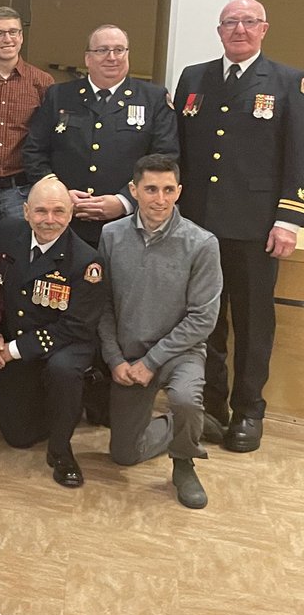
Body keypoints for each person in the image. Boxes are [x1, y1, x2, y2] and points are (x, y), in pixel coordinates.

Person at [173, 0, 304, 453]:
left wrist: (288, 219)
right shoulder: (195, 78)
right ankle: (211, 406)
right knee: (205, 321)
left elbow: (297, 157)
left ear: (264, 29)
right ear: (219, 30)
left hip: (254, 227)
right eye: (231, 22)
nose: (240, 29)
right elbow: (182, 153)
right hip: (198, 225)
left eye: (249, 22)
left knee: (251, 324)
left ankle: (249, 410)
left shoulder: (288, 82)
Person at [99, 154, 222, 509]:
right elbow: (102, 305)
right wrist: (114, 359)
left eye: (169, 190)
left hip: (179, 353)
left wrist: (153, 361)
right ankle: (181, 425)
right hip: (128, 354)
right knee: (124, 454)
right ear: (134, 190)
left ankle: (184, 461)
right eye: (151, 189)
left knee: (185, 397)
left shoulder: (201, 244)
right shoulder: (111, 235)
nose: (160, 199)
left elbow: (202, 319)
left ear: (179, 191)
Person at [0, 178, 105, 488]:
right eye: (41, 211)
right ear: (26, 211)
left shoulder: (86, 262)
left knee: (62, 369)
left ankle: (61, 448)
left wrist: (13, 350)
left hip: (65, 344)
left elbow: (75, 326)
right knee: (16, 434)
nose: (49, 220)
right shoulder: (6, 234)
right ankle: (57, 403)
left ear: (70, 214)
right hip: (19, 338)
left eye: (58, 211)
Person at [22, 24, 178, 246]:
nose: (112, 57)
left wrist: (124, 200)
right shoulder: (60, 95)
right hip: (64, 221)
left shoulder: (153, 98)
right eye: (102, 50)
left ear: (128, 54)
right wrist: (60, 195)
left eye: (119, 50)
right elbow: (34, 151)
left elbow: (165, 158)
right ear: (87, 58)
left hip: (128, 224)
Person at [0, 7, 55, 226]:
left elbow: (51, 138)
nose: (7, 39)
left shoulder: (42, 83)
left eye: (13, 32)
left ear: (21, 37)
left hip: (22, 190)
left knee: (18, 253)